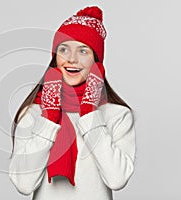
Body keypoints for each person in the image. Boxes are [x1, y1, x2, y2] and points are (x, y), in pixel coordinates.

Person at [9, 5, 136, 200]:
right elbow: (23, 184)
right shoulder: (33, 113)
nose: (72, 59)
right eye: (64, 49)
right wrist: (49, 118)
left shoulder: (117, 115)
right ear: (55, 57)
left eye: (83, 51)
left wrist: (90, 113)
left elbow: (117, 179)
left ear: (96, 60)